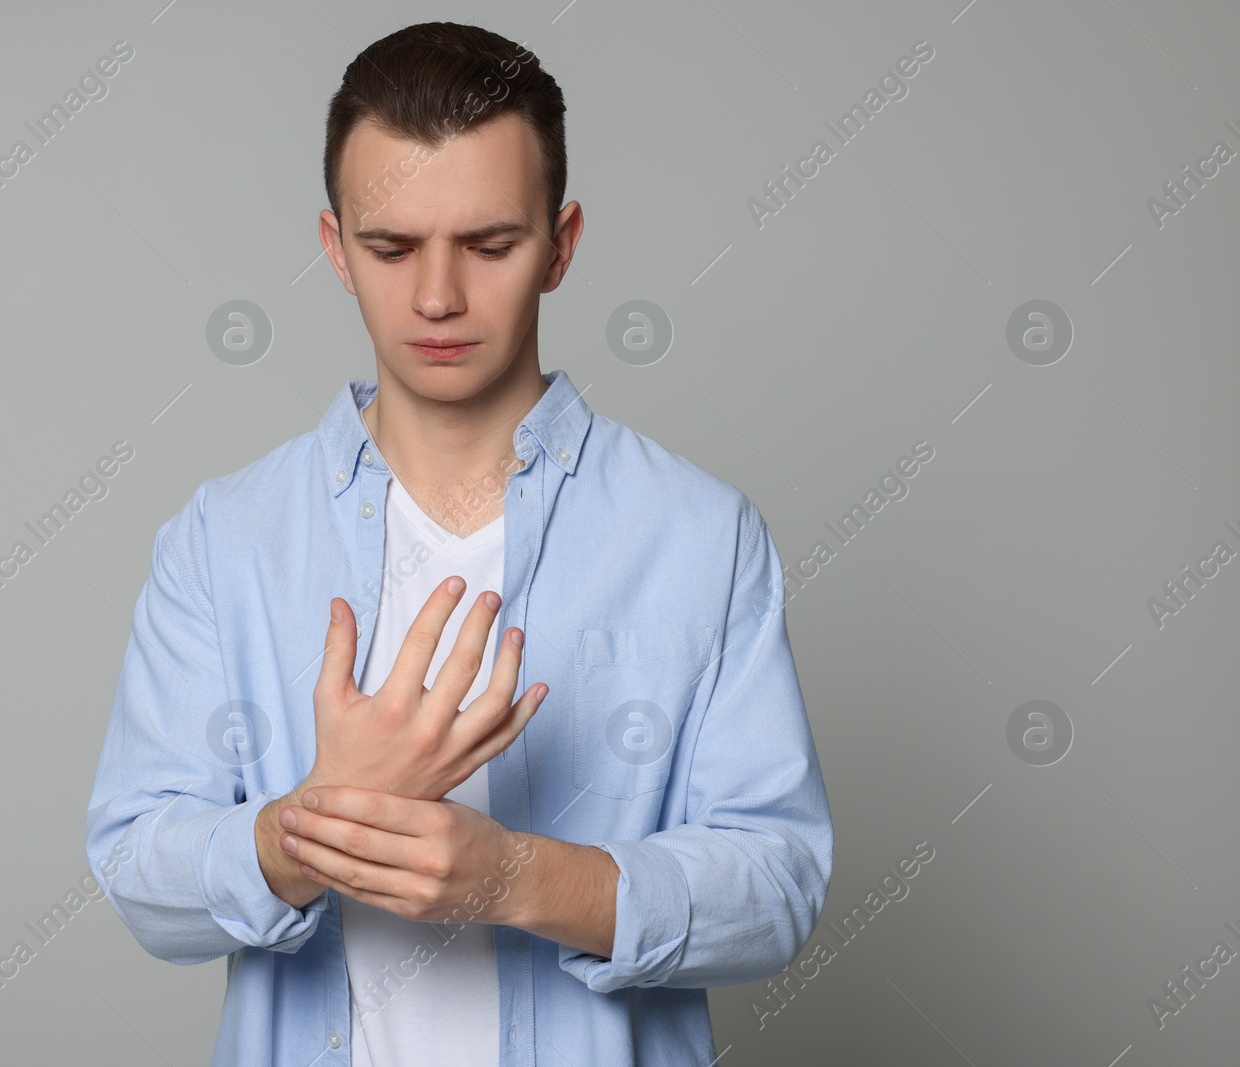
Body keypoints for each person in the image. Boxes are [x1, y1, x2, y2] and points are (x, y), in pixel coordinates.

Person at [85, 20, 832, 1067]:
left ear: (561, 245)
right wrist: (313, 823)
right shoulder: (224, 540)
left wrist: (517, 878)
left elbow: (778, 879)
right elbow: (137, 871)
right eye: (391, 247)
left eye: (489, 245)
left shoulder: (700, 535)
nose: (437, 297)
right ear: (335, 248)